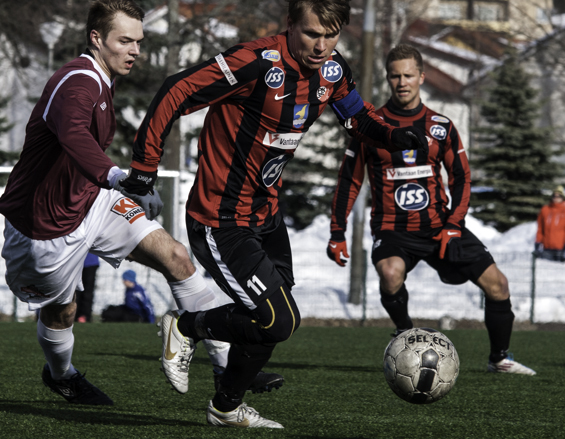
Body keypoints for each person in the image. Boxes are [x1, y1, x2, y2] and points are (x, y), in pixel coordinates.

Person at [131, 0, 427, 428]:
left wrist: (394, 136)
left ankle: (226, 407)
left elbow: (358, 119)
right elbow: (175, 90)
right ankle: (186, 327)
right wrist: (144, 168)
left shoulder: (331, 70)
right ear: (289, 25)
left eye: (331, 35)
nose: (322, 45)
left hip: (267, 214)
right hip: (222, 217)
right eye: (311, 34)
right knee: (277, 319)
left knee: (274, 315)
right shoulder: (253, 62)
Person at [0, 0, 277, 407]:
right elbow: (73, 135)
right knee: (61, 312)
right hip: (44, 226)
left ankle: (228, 369)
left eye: (139, 41)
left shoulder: (102, 80)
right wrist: (116, 176)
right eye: (124, 41)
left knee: (177, 258)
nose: (135, 50)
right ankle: (61, 376)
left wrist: (111, 184)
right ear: (96, 38)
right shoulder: (78, 82)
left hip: (93, 201)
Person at [327, 44, 536, 377]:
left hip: (440, 226)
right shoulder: (369, 126)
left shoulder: (441, 126)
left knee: (498, 284)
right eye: (395, 75)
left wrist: (454, 224)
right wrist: (337, 231)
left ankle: (500, 358)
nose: (402, 82)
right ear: (387, 78)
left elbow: (461, 177)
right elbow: (348, 181)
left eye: (408, 75)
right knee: (391, 273)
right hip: (393, 230)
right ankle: (405, 334)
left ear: (422, 77)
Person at [533, 185, 565, 262]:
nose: (556, 198)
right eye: (554, 196)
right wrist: (538, 242)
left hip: (560, 249)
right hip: (546, 248)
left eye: (559, 196)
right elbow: (540, 228)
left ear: (562, 198)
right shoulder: (545, 210)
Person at [75, 253, 100, 323]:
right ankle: (74, 314)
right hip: (76, 262)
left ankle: (85, 315)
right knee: (76, 291)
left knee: (87, 291)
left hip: (90, 262)